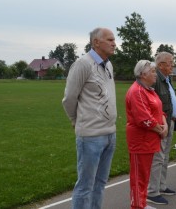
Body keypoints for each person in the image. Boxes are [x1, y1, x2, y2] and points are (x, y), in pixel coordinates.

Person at [62, 27, 117, 209]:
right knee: (85, 186)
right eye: (109, 40)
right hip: (91, 136)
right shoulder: (82, 64)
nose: (114, 43)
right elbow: (69, 98)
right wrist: (74, 120)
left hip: (110, 134)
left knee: (100, 183)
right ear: (96, 42)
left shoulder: (108, 65)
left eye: (113, 40)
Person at [126, 60, 168, 209]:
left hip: (150, 140)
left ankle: (141, 203)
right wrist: (161, 130)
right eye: (152, 71)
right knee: (139, 177)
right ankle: (137, 205)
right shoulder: (137, 91)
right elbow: (143, 119)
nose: (155, 74)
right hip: (141, 140)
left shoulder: (149, 90)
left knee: (145, 175)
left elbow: (159, 110)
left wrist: (165, 124)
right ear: (143, 74)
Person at [147, 52, 176, 205]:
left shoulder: (167, 78)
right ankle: (152, 191)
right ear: (160, 65)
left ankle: (161, 186)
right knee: (158, 158)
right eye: (170, 63)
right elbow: (150, 103)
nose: (172, 65)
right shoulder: (155, 79)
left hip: (169, 122)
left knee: (165, 156)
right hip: (161, 125)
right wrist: (159, 124)